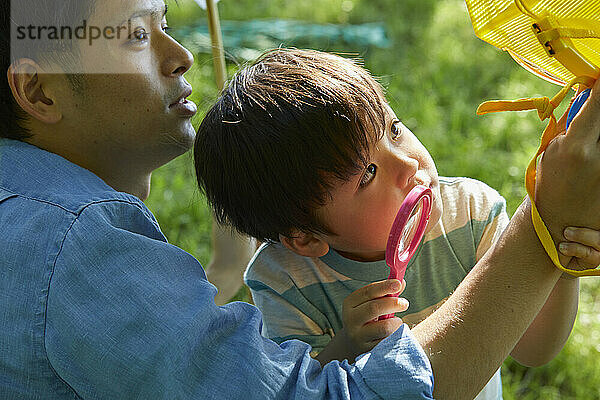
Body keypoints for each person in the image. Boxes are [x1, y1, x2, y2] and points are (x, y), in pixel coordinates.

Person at [1, 1, 599, 399]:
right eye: (135, 35)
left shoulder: (466, 212)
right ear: (37, 90)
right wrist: (545, 223)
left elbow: (536, 348)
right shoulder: (76, 244)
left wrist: (557, 257)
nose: (179, 54)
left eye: (166, 21)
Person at [194, 48, 600, 398]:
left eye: (394, 129)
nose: (409, 164)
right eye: (368, 173)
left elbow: (535, 351)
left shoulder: (472, 213)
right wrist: (347, 345)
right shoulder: (285, 279)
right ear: (303, 238)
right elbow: (300, 387)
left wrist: (560, 269)